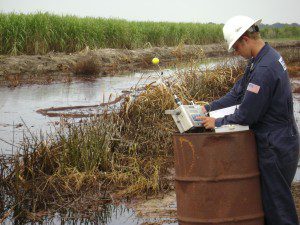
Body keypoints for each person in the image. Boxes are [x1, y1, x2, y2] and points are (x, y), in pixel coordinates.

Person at [200, 15, 300, 224]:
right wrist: (208, 107)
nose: (237, 53)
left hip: (276, 144)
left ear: (245, 39)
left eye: (236, 48)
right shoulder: (262, 58)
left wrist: (216, 122)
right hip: (281, 139)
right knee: (274, 202)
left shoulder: (263, 70)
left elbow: (247, 114)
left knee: (278, 208)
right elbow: (237, 94)